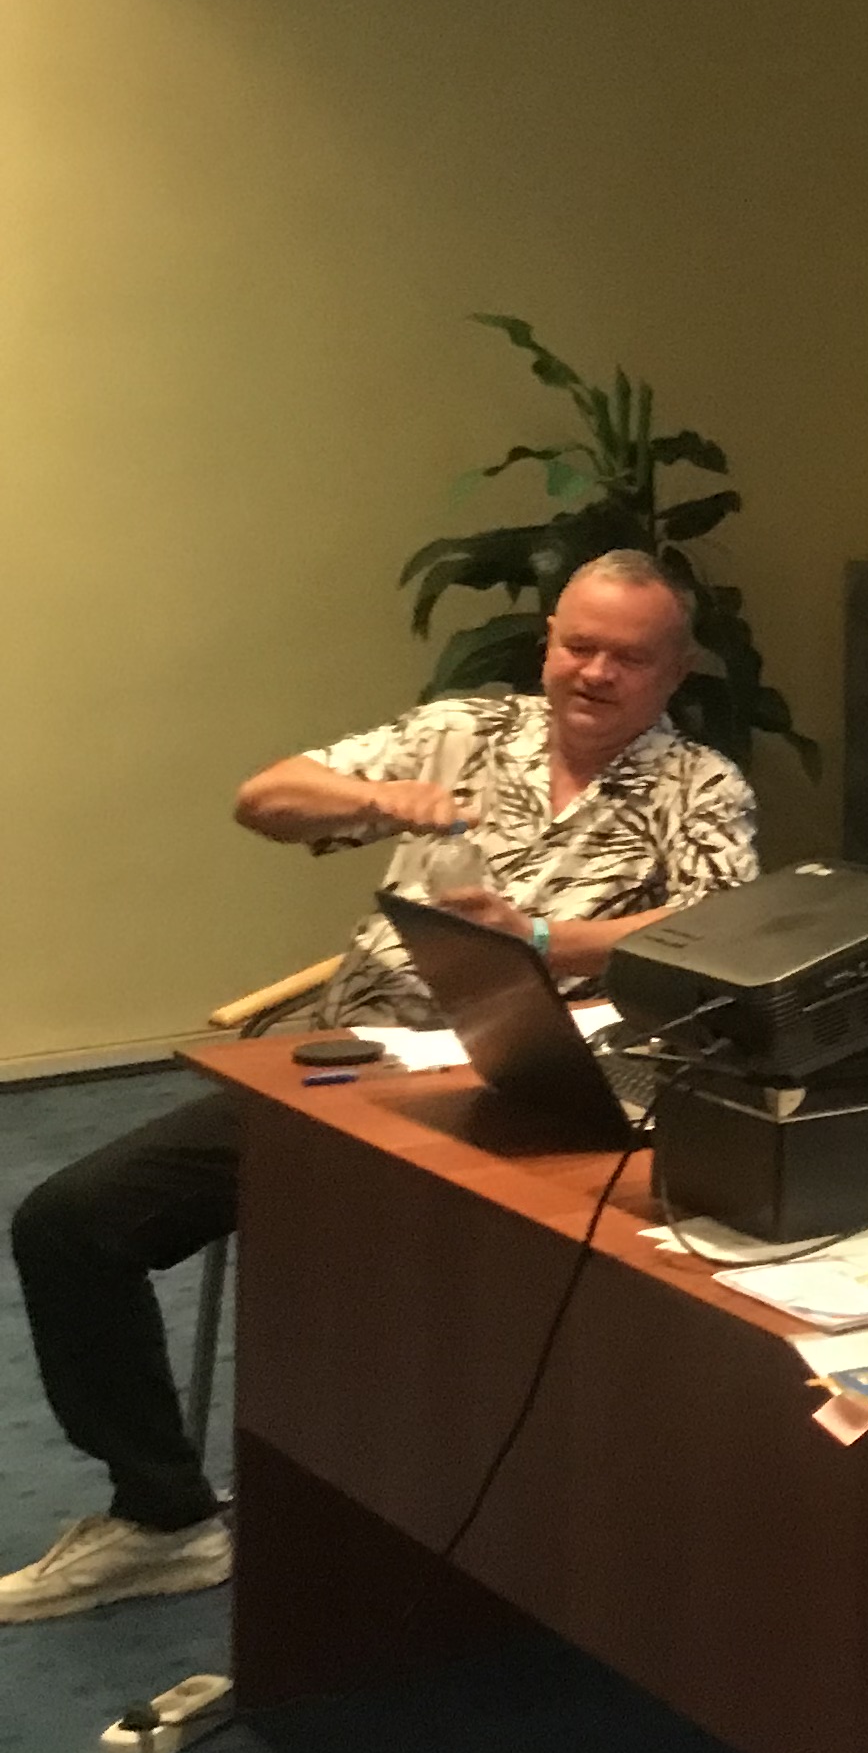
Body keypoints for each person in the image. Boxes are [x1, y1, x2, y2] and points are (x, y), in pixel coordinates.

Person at [1, 551, 758, 1624]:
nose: (594, 673)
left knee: (482, 1295)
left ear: (674, 671)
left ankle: (495, 1534)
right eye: (578, 646)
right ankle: (163, 1519)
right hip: (353, 1070)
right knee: (71, 1222)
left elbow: (716, 933)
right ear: (548, 640)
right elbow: (266, 799)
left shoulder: (700, 785)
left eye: (627, 658)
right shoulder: (463, 730)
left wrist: (548, 938)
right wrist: (373, 798)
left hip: (535, 1095)